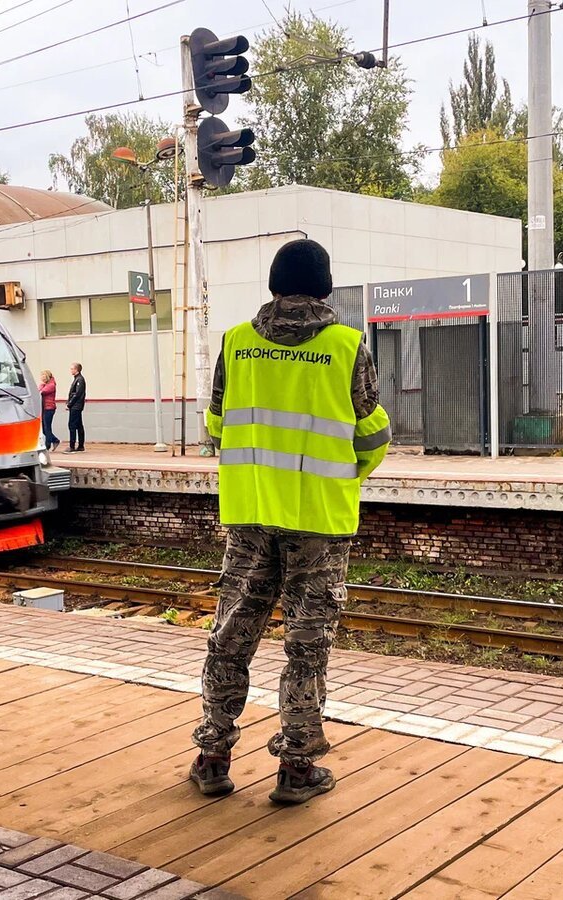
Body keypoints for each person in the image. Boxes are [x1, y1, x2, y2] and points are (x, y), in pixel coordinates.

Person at [189, 239, 391, 805]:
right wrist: (342, 475)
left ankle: (212, 757)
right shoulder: (347, 347)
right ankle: (296, 768)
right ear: (325, 287)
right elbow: (372, 435)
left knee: (231, 638)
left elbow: (216, 426)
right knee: (305, 645)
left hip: (250, 514)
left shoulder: (236, 343)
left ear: (274, 286)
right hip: (319, 522)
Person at [65, 363, 86, 453]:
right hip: (77, 406)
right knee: (78, 425)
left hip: (76, 406)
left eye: (72, 369)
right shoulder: (77, 379)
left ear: (76, 369)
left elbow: (77, 394)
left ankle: (72, 446)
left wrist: (69, 404)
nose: (71, 370)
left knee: (72, 425)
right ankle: (81, 445)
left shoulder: (79, 380)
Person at [38, 370, 60, 451]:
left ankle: (47, 446)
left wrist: (42, 385)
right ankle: (55, 440)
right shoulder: (45, 384)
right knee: (44, 429)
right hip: (44, 408)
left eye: (43, 376)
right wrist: (42, 384)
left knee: (47, 427)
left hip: (49, 408)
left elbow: (42, 392)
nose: (41, 378)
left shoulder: (51, 385)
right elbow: (39, 389)